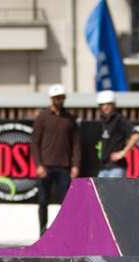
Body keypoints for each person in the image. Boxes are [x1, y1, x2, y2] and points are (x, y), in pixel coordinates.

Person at [31, 84, 81, 235]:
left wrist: (75, 165)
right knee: (43, 202)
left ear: (64, 98)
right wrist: (38, 165)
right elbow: (35, 143)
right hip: (45, 166)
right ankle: (43, 233)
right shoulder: (42, 117)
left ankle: (64, 232)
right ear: (51, 99)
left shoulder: (70, 119)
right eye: (56, 97)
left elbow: (76, 144)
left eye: (61, 97)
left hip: (64, 167)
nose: (58, 100)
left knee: (66, 204)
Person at [96, 90, 139, 178]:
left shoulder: (119, 119)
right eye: (102, 105)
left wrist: (123, 153)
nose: (105, 107)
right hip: (104, 168)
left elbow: (136, 136)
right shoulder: (103, 121)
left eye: (108, 104)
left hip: (116, 168)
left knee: (113, 191)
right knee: (98, 191)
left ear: (113, 105)